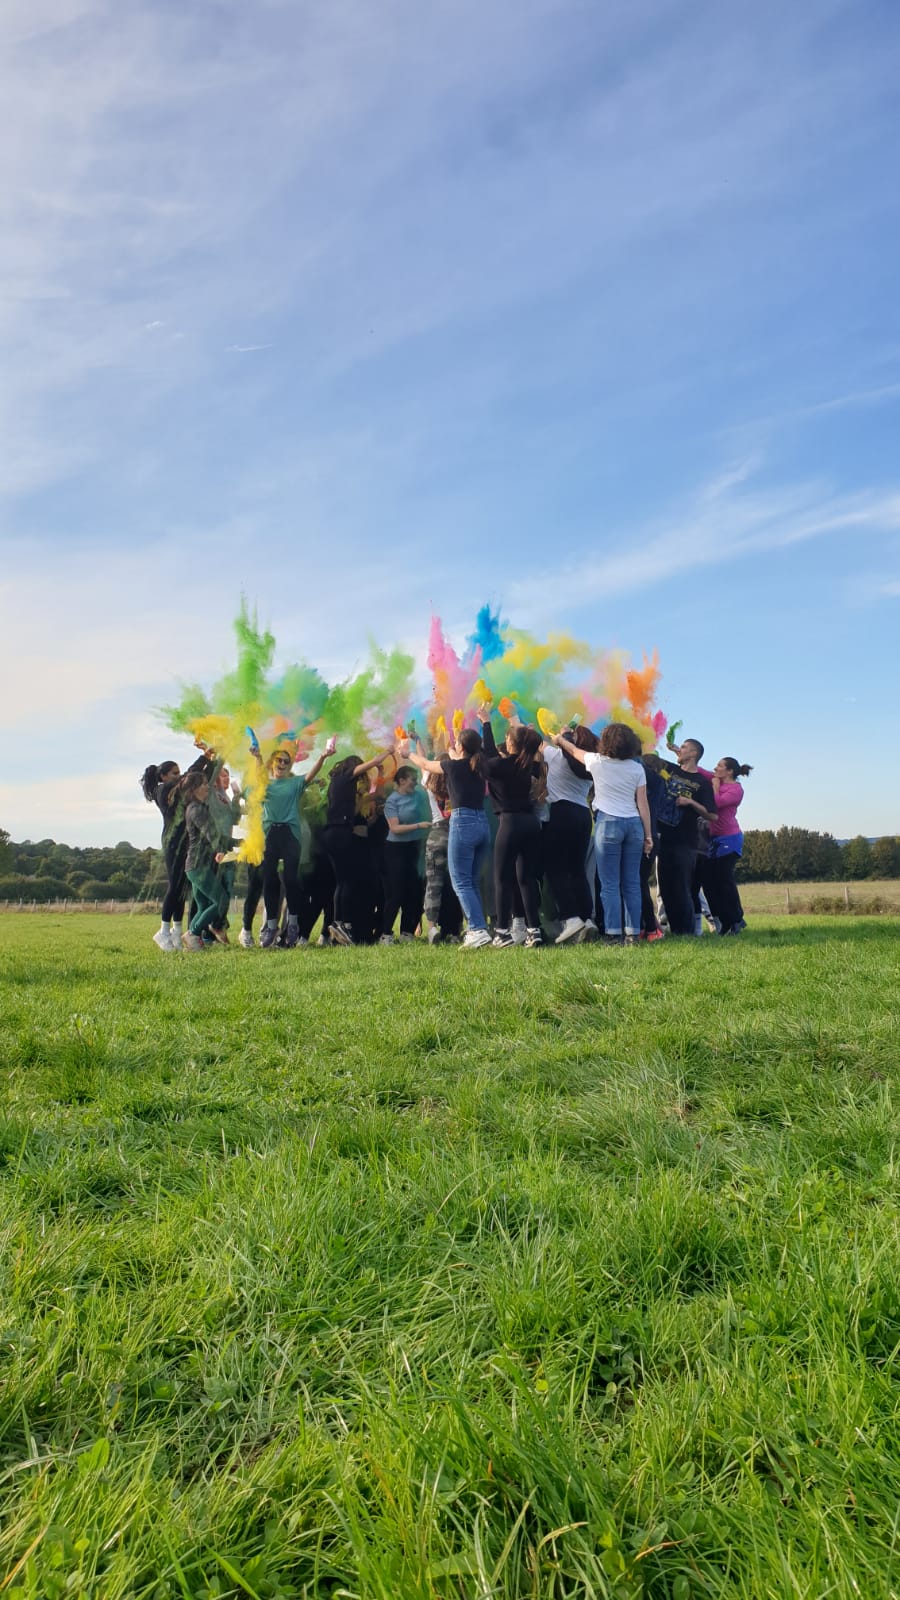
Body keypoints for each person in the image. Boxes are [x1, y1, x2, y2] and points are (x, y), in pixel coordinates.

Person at [552, 722, 653, 945]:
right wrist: (648, 836)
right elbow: (643, 804)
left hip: (608, 824)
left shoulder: (596, 762)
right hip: (634, 825)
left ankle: (613, 933)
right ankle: (633, 933)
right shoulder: (637, 768)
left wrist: (560, 739)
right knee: (632, 883)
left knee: (609, 884)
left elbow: (573, 751)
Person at [405, 729, 493, 948]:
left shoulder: (453, 767)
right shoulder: (480, 766)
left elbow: (425, 765)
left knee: (460, 882)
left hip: (462, 824)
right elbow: (457, 755)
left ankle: (476, 929)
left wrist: (407, 753)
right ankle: (479, 927)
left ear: (461, 748)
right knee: (471, 881)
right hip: (482, 824)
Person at [478, 709, 545, 948]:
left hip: (510, 823)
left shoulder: (502, 766)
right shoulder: (529, 765)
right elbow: (494, 756)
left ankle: (502, 933)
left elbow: (486, 758)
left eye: (507, 737)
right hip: (530, 824)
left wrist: (486, 724)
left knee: (502, 878)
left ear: (510, 742)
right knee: (526, 878)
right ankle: (534, 930)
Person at [140, 745, 214, 951]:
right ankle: (162, 931)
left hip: (185, 840)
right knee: (174, 887)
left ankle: (176, 931)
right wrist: (204, 756)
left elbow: (197, 778)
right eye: (175, 773)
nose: (179, 775)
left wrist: (215, 760)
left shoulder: (178, 790)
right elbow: (190, 776)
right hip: (173, 842)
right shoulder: (162, 790)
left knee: (183, 888)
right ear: (163, 776)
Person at [255, 743, 329, 949]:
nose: (283, 764)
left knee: (291, 879)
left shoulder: (295, 783)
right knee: (269, 879)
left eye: (287, 762)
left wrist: (323, 756)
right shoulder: (265, 784)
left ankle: (293, 923)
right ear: (272, 763)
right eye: (279, 760)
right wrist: (258, 757)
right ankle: (271, 926)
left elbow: (310, 775)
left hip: (290, 834)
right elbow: (260, 774)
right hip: (270, 834)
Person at [323, 748, 395, 946]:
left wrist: (380, 774)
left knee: (343, 882)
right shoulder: (344, 777)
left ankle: (340, 924)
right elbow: (372, 760)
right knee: (345, 882)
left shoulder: (340, 787)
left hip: (335, 834)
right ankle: (341, 924)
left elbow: (377, 794)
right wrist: (388, 751)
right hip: (341, 833)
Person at [541, 726, 598, 943]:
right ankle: (587, 919)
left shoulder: (555, 757)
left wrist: (518, 721)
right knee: (577, 871)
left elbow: (538, 743)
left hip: (561, 812)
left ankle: (571, 918)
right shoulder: (589, 766)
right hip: (584, 816)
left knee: (556, 869)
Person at [655, 738, 717, 936]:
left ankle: (687, 932)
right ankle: (675, 930)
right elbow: (649, 761)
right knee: (665, 889)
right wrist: (674, 751)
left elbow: (712, 815)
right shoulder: (671, 769)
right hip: (663, 838)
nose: (679, 748)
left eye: (683, 747)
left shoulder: (702, 783)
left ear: (694, 754)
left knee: (682, 888)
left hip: (686, 842)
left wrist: (691, 803)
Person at [699, 757, 752, 935]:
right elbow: (701, 771)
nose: (715, 768)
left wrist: (714, 785)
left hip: (730, 839)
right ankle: (724, 920)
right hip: (714, 840)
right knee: (709, 882)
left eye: (720, 766)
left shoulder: (736, 789)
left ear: (729, 771)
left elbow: (716, 804)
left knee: (724, 880)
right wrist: (679, 754)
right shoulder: (717, 779)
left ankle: (736, 919)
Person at [380, 766, 432, 941]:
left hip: (415, 847)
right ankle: (386, 934)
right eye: (412, 779)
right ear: (401, 781)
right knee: (397, 892)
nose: (415, 782)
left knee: (415, 890)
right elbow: (394, 828)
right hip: (396, 850)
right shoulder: (392, 801)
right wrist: (419, 826)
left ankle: (407, 932)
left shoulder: (419, 794)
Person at [179, 770, 229, 949]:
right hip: (197, 865)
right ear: (193, 789)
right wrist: (221, 849)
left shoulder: (197, 806)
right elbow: (210, 832)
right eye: (203, 784)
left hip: (196, 865)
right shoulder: (196, 809)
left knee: (203, 906)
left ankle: (193, 937)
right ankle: (193, 934)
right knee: (221, 900)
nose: (207, 786)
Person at [422, 770, 463, 942]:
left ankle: (431, 927)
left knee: (433, 884)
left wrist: (416, 744)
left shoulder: (430, 786)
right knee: (458, 884)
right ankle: (455, 929)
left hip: (437, 835)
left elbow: (423, 764)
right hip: (456, 834)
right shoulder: (457, 787)